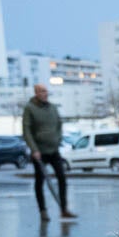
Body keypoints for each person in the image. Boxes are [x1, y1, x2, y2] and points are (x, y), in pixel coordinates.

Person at [21, 83, 75, 221]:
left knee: (62, 178)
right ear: (36, 93)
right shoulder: (30, 108)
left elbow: (59, 125)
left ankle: (64, 209)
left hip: (53, 150)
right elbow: (26, 130)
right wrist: (34, 149)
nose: (45, 93)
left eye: (46, 91)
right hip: (39, 152)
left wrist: (58, 139)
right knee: (40, 181)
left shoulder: (52, 108)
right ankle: (43, 211)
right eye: (42, 91)